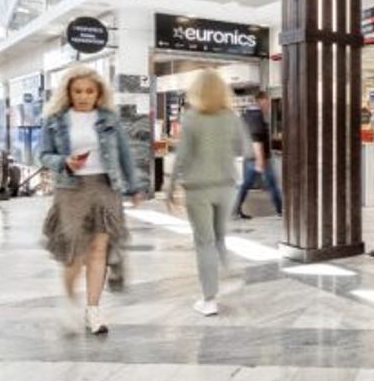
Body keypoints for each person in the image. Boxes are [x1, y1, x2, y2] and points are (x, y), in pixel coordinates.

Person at [39, 65, 145, 335]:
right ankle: (69, 301)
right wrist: (64, 161)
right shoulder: (54, 120)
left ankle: (93, 310)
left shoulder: (109, 119)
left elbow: (124, 155)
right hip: (70, 190)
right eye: (77, 91)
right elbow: (43, 155)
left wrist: (134, 187)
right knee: (74, 253)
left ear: (98, 93)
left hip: (105, 188)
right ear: (68, 92)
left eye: (89, 91)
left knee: (98, 251)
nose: (83, 96)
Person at [168, 69, 247, 317]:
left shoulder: (191, 118)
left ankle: (209, 299)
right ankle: (228, 270)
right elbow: (243, 148)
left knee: (205, 242)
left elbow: (182, 156)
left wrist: (170, 186)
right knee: (219, 237)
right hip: (226, 186)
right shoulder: (231, 117)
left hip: (198, 188)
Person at [233, 90, 283, 220]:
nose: (268, 105)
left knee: (246, 184)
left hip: (249, 156)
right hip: (258, 157)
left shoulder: (246, 115)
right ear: (260, 100)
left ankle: (234, 210)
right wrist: (260, 160)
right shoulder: (256, 116)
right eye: (267, 102)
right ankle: (281, 210)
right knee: (271, 184)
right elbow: (256, 139)